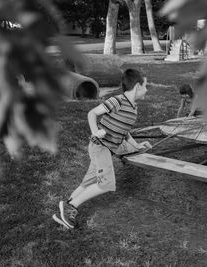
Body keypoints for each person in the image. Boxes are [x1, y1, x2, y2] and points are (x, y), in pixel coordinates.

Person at [52, 69, 151, 229]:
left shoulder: (133, 109)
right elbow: (92, 113)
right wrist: (95, 132)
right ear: (138, 86)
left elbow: (124, 132)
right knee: (107, 183)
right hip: (100, 147)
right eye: (146, 86)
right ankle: (72, 207)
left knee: (89, 182)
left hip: (107, 149)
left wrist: (137, 145)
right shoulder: (117, 101)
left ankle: (66, 206)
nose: (147, 89)